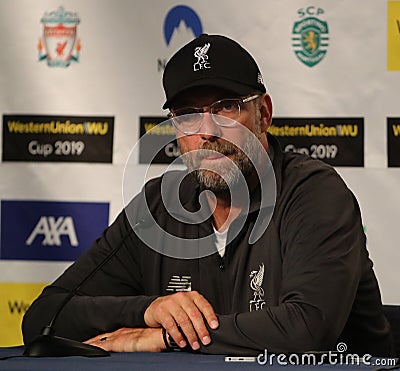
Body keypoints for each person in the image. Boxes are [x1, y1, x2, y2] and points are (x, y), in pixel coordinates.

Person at [22, 34, 393, 356]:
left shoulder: (313, 193)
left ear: (263, 113)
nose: (207, 131)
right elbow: (44, 317)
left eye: (226, 108)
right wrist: (147, 312)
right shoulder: (157, 208)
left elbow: (307, 329)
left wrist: (164, 338)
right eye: (187, 114)